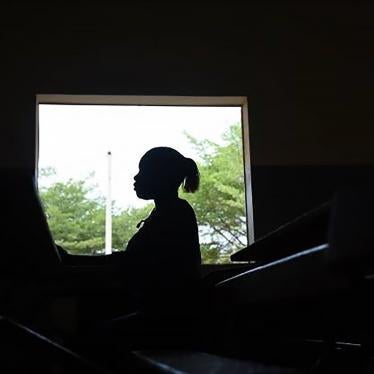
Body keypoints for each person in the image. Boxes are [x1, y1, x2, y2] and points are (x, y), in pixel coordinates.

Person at [115, 146, 202, 307]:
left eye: (143, 172)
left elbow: (137, 263)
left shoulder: (173, 214)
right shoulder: (171, 212)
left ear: (161, 176)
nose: (136, 177)